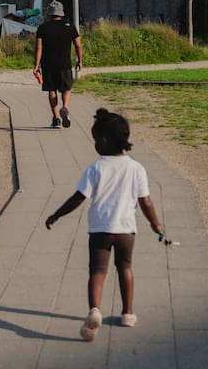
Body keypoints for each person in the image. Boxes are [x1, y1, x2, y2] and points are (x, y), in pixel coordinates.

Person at [44, 108, 165, 341]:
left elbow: (78, 198)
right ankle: (127, 313)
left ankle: (95, 310)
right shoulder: (136, 168)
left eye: (95, 140)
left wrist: (57, 215)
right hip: (126, 230)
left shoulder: (96, 168)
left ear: (105, 140)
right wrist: (156, 224)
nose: (95, 145)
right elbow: (146, 201)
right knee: (125, 268)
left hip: (100, 229)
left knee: (97, 271)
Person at [33, 0, 82, 128]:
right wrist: (80, 61)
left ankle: (56, 119)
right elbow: (78, 45)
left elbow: (39, 48)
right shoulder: (70, 26)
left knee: (52, 90)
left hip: (48, 65)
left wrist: (36, 66)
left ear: (49, 13)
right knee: (67, 88)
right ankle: (64, 107)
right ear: (61, 12)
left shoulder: (43, 27)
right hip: (65, 64)